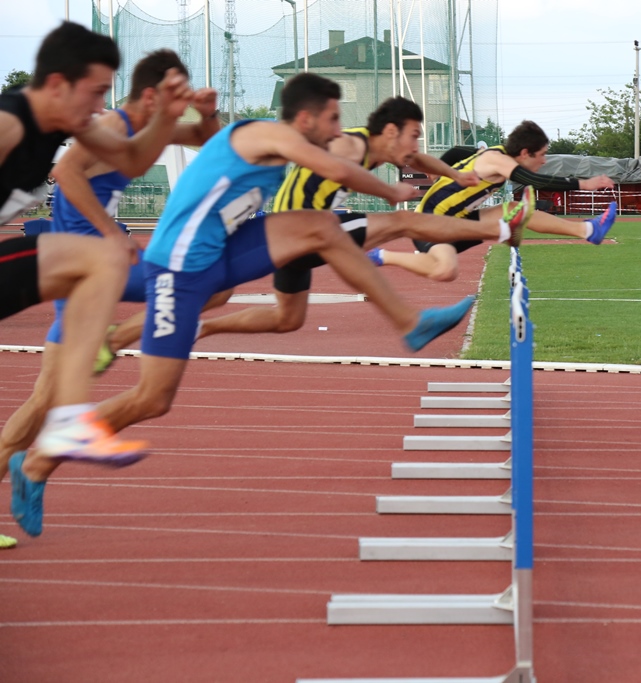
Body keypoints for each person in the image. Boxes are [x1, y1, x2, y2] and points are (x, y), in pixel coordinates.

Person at [7, 73, 477, 537]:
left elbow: (208, 141)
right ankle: (40, 458)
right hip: (180, 269)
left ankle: (410, 322)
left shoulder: (264, 141)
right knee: (153, 399)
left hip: (220, 252)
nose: (339, 131)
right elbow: (334, 169)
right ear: (307, 117)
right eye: (333, 120)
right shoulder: (266, 133)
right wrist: (392, 191)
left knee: (320, 227)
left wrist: (207, 114)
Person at [1, 50, 225, 498]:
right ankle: (111, 340)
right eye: (176, 94)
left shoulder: (146, 131)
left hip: (92, 271)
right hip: (84, 268)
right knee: (211, 281)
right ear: (150, 95)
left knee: (45, 400)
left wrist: (206, 113)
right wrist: (110, 234)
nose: (181, 103)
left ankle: (110, 340)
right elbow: (64, 171)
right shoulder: (110, 128)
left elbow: (207, 140)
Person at [193, 96, 535, 341]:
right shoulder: (349, 145)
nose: (415, 144)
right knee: (403, 221)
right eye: (413, 134)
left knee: (287, 318)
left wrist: (456, 176)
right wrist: (387, 192)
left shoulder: (379, 147)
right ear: (390, 131)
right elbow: (336, 167)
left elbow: (419, 160)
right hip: (300, 229)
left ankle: (202, 327)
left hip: (298, 233)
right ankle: (502, 230)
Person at [371, 120, 617, 283]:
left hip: (457, 220)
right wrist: (583, 184)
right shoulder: (497, 160)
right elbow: (533, 180)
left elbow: (457, 151)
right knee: (445, 270)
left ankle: (588, 230)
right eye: (541, 155)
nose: (544, 160)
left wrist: (441, 169)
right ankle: (382, 256)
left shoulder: (491, 154)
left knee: (514, 209)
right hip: (430, 225)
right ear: (524, 153)